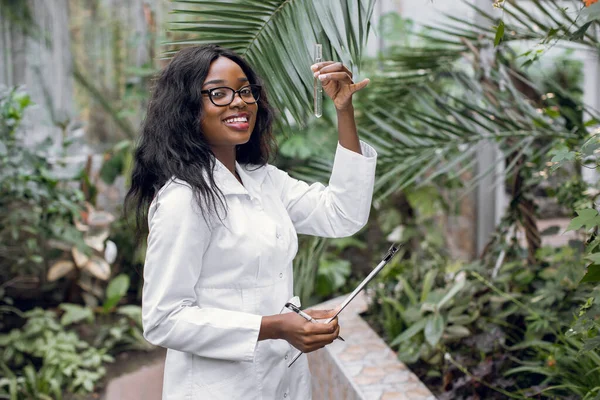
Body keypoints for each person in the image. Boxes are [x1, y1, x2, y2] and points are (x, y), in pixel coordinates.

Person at [124, 44, 377, 400]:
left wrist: (344, 110)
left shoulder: (263, 179)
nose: (239, 101)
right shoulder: (184, 200)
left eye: (245, 90)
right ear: (187, 108)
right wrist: (275, 327)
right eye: (219, 93)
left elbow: (342, 215)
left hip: (282, 382)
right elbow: (163, 319)